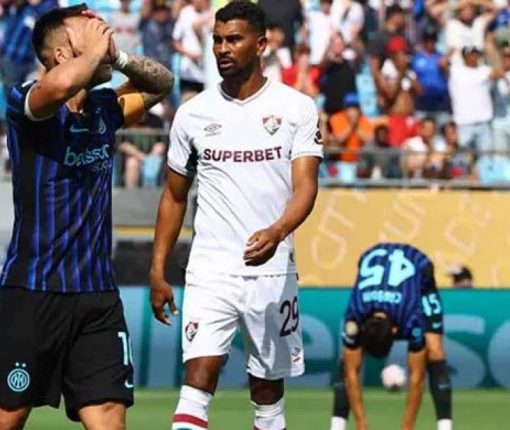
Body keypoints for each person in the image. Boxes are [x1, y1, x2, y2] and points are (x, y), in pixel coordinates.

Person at [0, 4, 173, 430]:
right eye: (89, 31)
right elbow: (61, 84)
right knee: (6, 421)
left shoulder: (105, 108)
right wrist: (95, 52)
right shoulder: (27, 101)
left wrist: (117, 57)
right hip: (34, 290)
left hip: (97, 295)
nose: (103, 34)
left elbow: (162, 83)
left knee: (109, 421)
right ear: (62, 54)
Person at [149, 2, 322, 430]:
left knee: (267, 393)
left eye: (234, 39)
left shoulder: (296, 108)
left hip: (272, 270)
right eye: (217, 40)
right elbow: (174, 197)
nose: (223, 49)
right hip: (211, 268)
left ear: (260, 45)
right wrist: (158, 269)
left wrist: (277, 232)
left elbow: (306, 188)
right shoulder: (193, 114)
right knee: (198, 378)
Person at [330, 243, 452, 430]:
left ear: (396, 331)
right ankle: (337, 427)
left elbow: (417, 377)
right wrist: (361, 424)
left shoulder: (411, 316)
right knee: (347, 359)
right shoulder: (356, 312)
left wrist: (407, 427)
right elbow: (351, 372)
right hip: (372, 258)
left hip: (419, 265)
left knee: (435, 350)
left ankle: (445, 427)